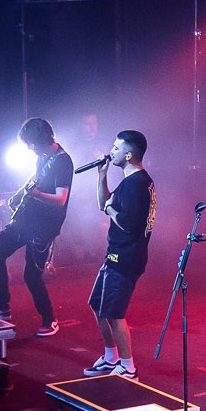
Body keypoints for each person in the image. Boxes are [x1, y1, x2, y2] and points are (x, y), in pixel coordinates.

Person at [0, 118, 74, 335]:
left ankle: (49, 319)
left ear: (41, 140)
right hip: (26, 220)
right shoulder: (43, 156)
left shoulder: (63, 161)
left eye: (31, 143)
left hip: (45, 226)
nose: (29, 148)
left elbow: (61, 199)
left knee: (31, 275)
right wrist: (19, 193)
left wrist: (34, 195)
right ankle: (2, 306)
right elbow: (35, 178)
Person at [83, 132, 155, 378]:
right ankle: (111, 356)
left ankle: (128, 367)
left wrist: (111, 209)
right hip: (115, 254)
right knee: (97, 305)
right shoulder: (131, 182)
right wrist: (102, 175)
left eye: (115, 148)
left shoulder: (136, 185)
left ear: (128, 154)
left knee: (114, 314)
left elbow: (129, 223)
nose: (110, 151)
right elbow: (102, 203)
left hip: (126, 258)